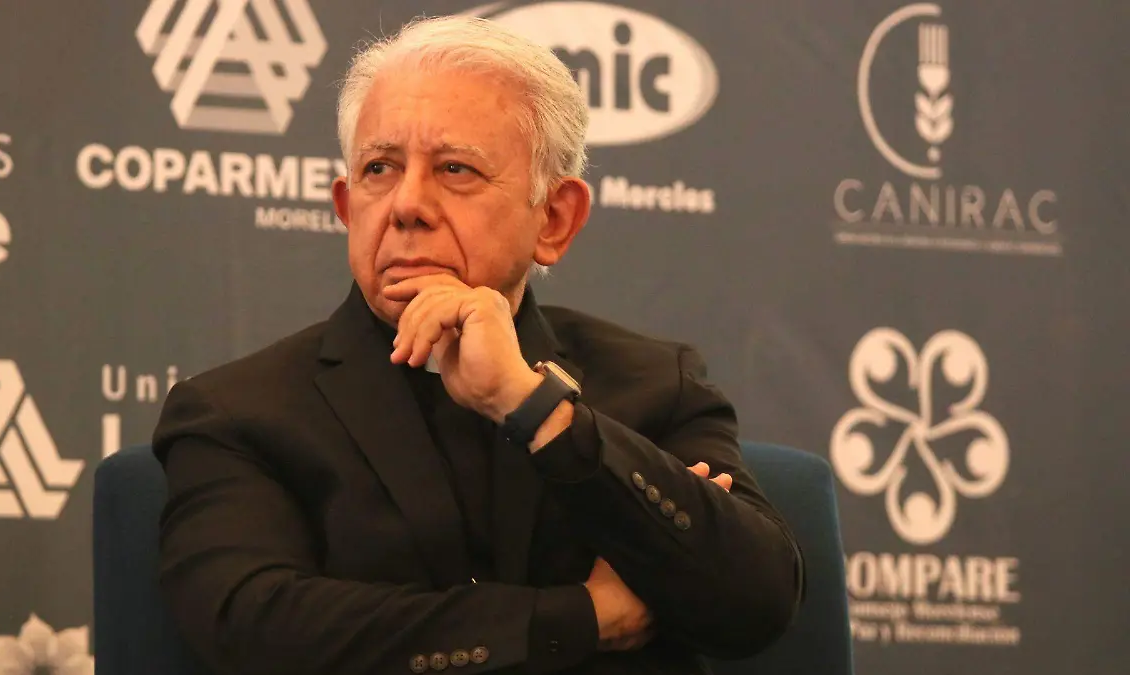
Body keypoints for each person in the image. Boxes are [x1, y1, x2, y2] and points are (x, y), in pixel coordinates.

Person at [152, 15, 804, 675]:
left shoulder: (656, 385)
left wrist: (534, 408)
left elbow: (756, 602)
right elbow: (254, 630)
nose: (406, 204)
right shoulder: (238, 414)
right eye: (379, 168)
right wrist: (579, 618)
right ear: (347, 208)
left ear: (554, 220)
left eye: (455, 169)